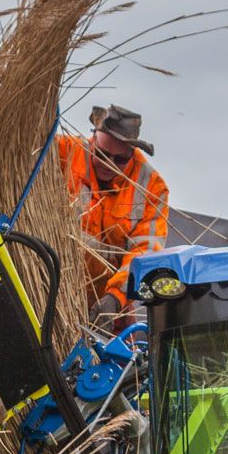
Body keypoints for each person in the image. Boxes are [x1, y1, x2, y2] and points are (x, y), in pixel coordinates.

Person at [56, 104, 172, 308]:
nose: (109, 164)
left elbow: (145, 254)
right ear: (93, 140)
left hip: (105, 307)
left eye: (120, 160)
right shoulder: (64, 152)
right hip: (51, 291)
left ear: (132, 153)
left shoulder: (152, 187)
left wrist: (116, 297)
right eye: (102, 154)